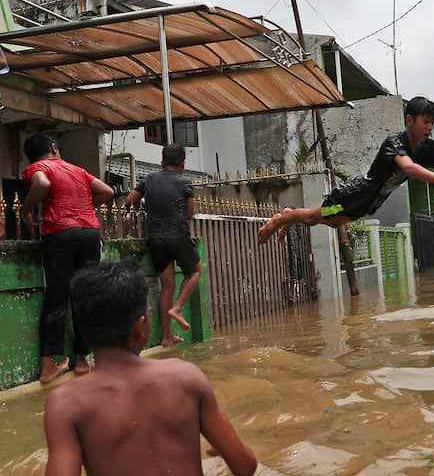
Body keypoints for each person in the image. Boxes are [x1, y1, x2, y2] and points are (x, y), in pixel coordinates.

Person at [43, 261, 257, 476]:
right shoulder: (186, 377)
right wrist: (222, 446)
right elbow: (245, 466)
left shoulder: (65, 403)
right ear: (140, 327)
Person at [258, 96, 434, 244]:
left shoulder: (429, 148)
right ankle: (284, 218)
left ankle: (290, 217)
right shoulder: (395, 142)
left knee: (329, 222)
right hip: (354, 194)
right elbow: (408, 168)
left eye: (432, 123)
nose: (429, 128)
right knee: (313, 217)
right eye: (425, 123)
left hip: (370, 203)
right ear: (409, 121)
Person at [20, 133, 114, 384]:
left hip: (60, 232)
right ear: (53, 147)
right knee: (84, 295)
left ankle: (48, 365)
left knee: (57, 296)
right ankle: (83, 360)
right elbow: (106, 191)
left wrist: (25, 211)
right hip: (89, 233)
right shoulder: (77, 169)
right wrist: (82, 207)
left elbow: (41, 185)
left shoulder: (36, 168)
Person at [125, 143, 202, 347]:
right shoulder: (184, 182)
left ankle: (166, 336)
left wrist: (142, 211)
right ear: (183, 165)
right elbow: (190, 213)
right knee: (195, 271)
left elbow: (130, 200)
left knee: (167, 286)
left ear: (161, 163)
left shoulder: (148, 179)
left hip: (156, 240)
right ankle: (177, 308)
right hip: (177, 236)